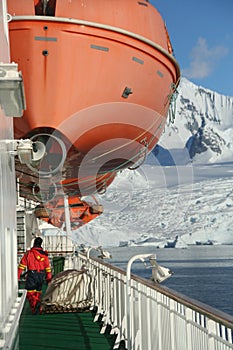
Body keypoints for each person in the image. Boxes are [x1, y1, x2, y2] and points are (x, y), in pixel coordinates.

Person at [18, 237, 52, 314]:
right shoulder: (45, 255)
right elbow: (48, 268)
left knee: (30, 292)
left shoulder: (29, 254)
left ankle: (35, 307)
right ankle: (38, 306)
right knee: (38, 292)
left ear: (34, 243)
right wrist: (48, 278)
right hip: (41, 275)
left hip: (32, 275)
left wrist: (17, 276)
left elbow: (21, 267)